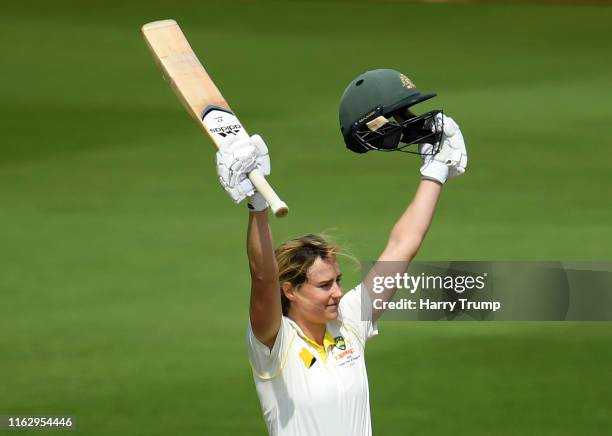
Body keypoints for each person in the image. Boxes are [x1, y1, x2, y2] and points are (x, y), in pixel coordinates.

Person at [214, 69, 468, 436]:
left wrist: (436, 171)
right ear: (290, 291)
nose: (337, 292)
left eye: (337, 281)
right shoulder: (273, 342)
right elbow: (263, 275)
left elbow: (403, 246)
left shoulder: (348, 323)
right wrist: (256, 205)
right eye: (323, 285)